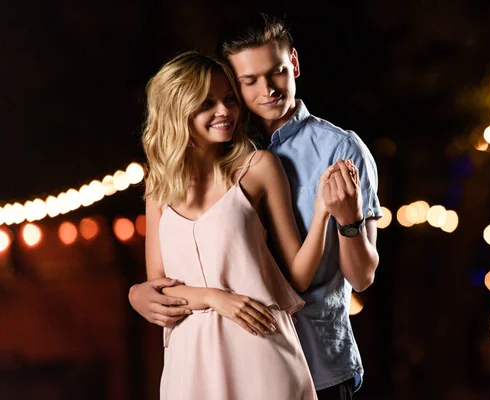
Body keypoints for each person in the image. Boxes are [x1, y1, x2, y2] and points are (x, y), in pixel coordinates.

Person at [130, 14, 382, 399]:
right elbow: (169, 274)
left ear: (293, 64)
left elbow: (362, 278)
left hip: (317, 361)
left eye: (277, 73)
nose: (267, 89)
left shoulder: (340, 150)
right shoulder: (219, 144)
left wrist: (346, 222)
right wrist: (139, 294)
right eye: (247, 82)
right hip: (217, 364)